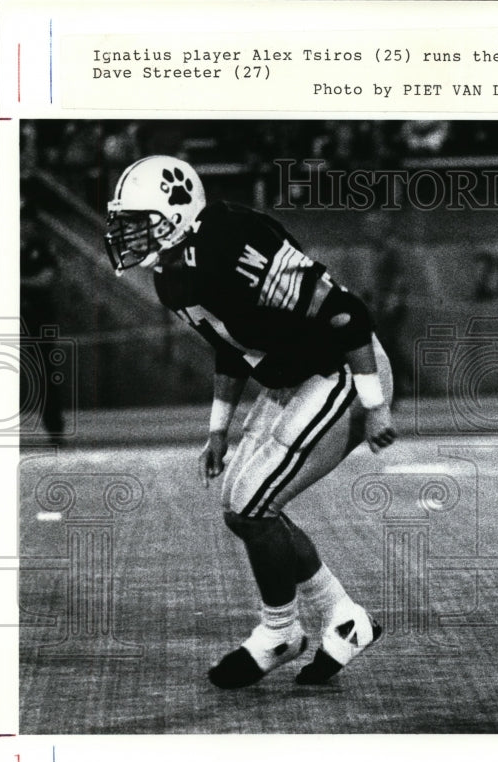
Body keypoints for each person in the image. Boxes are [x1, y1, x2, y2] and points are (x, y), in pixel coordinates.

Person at [104, 155, 397, 688]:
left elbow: (348, 312)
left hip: (342, 368)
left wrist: (375, 403)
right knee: (242, 512)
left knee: (253, 506)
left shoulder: (231, 242)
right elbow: (231, 348)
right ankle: (344, 618)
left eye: (138, 219)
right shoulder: (173, 276)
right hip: (293, 379)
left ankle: (279, 633)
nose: (126, 232)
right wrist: (218, 428)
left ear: (175, 211)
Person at [19, 199, 67, 442]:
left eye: (26, 221)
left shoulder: (42, 246)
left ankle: (55, 429)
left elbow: (47, 278)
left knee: (46, 373)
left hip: (38, 317)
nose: (23, 225)